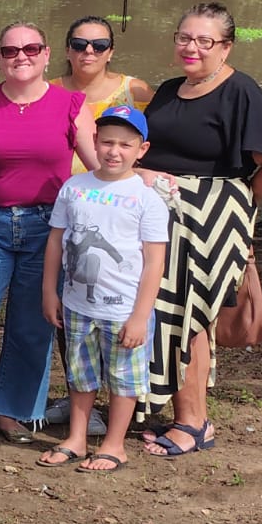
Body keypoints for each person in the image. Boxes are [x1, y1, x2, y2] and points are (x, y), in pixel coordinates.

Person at [136, 2, 262, 456]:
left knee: (190, 315)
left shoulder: (241, 91)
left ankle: (194, 422)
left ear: (225, 47)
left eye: (205, 41)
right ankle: (164, 407)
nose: (192, 47)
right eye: (185, 38)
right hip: (161, 217)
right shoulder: (169, 90)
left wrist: (241, 200)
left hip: (210, 219)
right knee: (158, 311)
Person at [0, 22, 97, 446]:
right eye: (10, 51)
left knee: (32, 324)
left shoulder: (71, 103)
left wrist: (141, 178)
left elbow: (99, 166)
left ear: (48, 54)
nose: (21, 57)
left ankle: (10, 410)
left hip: (47, 229)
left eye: (31, 48)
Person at [39, 106, 167, 471]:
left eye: (125, 145)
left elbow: (155, 262)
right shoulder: (75, 187)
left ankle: (114, 444)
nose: (114, 151)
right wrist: (51, 291)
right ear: (93, 142)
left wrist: (141, 316)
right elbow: (56, 242)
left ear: (141, 150)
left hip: (124, 309)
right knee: (80, 374)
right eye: (107, 142)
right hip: (77, 304)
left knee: (123, 379)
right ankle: (77, 438)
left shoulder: (147, 199)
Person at [51, 16, 155, 174]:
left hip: (116, 187)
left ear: (110, 52)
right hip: (59, 188)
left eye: (100, 45)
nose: (89, 51)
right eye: (79, 45)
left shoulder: (135, 91)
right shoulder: (48, 91)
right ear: (68, 51)